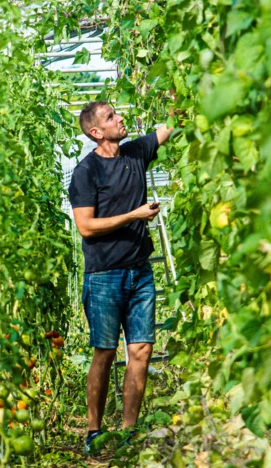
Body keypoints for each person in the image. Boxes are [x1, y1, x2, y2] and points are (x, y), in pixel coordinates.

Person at [67, 101, 174, 454]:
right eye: (111, 117)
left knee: (141, 349)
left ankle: (129, 432)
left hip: (139, 271)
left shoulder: (135, 153)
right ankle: (94, 431)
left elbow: (168, 128)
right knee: (105, 352)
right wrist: (134, 215)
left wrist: (182, 99)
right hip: (104, 275)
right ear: (96, 132)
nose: (120, 118)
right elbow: (85, 226)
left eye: (117, 113)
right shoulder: (87, 172)